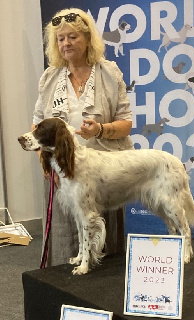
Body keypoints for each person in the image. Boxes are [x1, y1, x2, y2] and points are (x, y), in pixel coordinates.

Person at [32, 8, 134, 267]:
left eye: (72, 37)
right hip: (62, 172)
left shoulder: (109, 73)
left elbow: (126, 125)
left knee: (105, 240)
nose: (65, 43)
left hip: (104, 173)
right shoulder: (49, 78)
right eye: (60, 38)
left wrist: (99, 130)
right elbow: (36, 127)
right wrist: (44, 161)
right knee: (64, 238)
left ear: (88, 39)